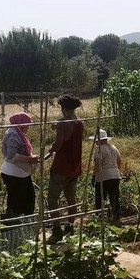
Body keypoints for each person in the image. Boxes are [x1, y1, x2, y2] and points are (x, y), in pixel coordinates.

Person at [45, 94, 84, 243]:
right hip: (74, 167)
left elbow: (58, 144)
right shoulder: (80, 123)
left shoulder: (62, 123)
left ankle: (56, 231)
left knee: (53, 199)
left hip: (61, 166)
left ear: (64, 108)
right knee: (71, 198)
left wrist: (48, 153)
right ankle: (69, 226)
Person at [0, 112, 40, 249]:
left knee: (27, 200)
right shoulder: (12, 134)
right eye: (27, 125)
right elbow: (11, 156)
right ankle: (13, 235)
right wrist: (30, 159)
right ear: (20, 123)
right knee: (18, 202)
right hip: (14, 173)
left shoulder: (17, 133)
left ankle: (21, 230)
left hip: (20, 173)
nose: (28, 128)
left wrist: (31, 158)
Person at [93, 129, 122, 224]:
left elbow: (97, 164)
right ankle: (116, 216)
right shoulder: (113, 147)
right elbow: (119, 161)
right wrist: (117, 170)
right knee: (114, 197)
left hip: (104, 176)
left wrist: (94, 176)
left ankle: (99, 217)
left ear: (100, 140)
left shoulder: (100, 149)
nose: (96, 142)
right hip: (115, 176)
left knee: (100, 198)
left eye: (97, 140)